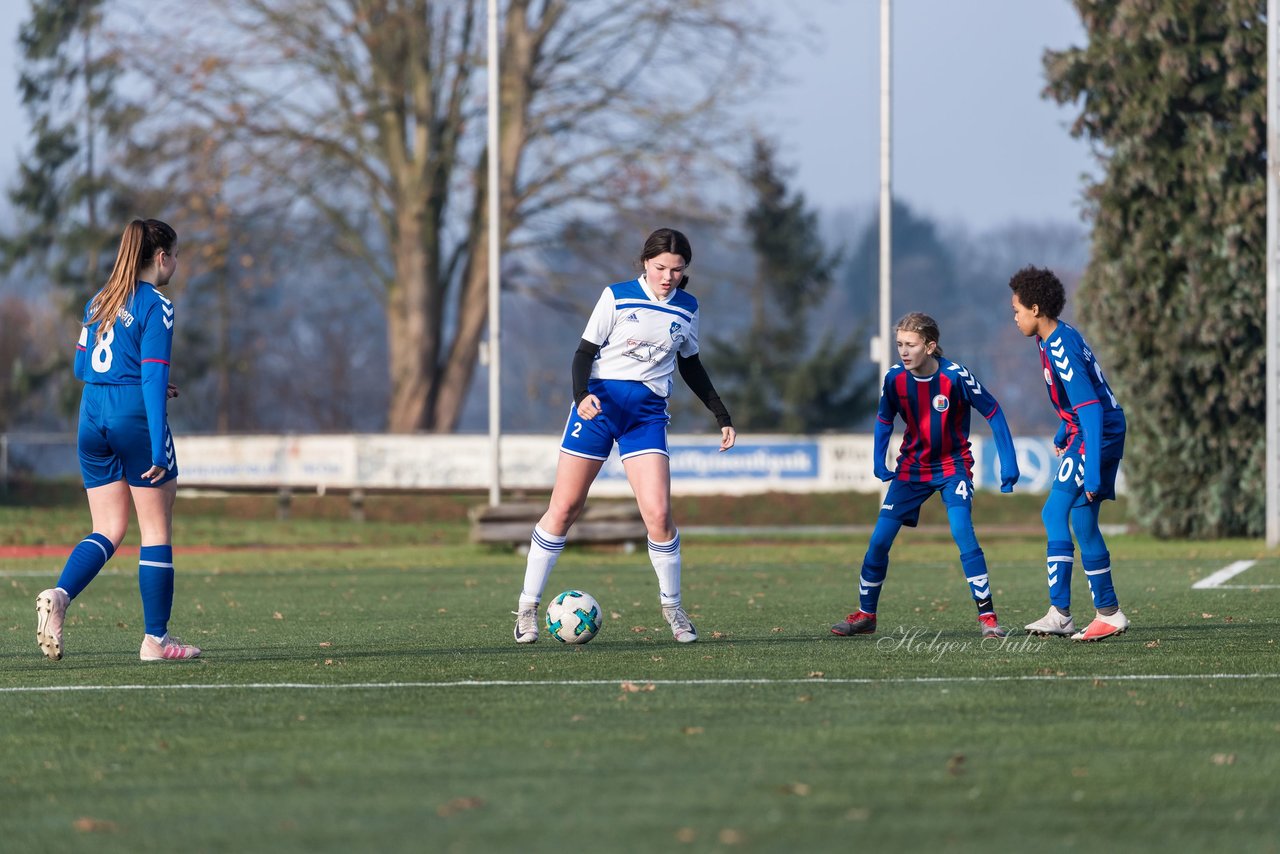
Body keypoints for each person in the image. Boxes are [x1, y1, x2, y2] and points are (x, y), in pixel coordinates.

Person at [512, 227, 736, 644]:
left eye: (677, 269)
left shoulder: (687, 308)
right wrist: (581, 397)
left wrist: (720, 413)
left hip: (645, 416)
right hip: (597, 409)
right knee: (564, 508)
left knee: (659, 515)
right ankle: (527, 608)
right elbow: (583, 353)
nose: (668, 276)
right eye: (660, 267)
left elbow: (691, 365)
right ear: (645, 264)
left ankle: (674, 609)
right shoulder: (616, 296)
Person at [35, 218, 201, 662]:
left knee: (107, 528)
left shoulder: (98, 301)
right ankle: (155, 642)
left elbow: (80, 368)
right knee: (155, 530)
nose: (176, 265)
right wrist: (153, 433)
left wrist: (128, 383)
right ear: (161, 257)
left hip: (92, 415)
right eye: (176, 256)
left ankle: (60, 597)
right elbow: (151, 376)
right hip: (132, 417)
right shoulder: (157, 305)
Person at [831, 312, 1020, 639]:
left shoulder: (956, 377)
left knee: (963, 533)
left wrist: (1009, 462)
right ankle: (866, 614)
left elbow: (993, 411)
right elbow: (883, 419)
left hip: (952, 467)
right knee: (878, 542)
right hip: (912, 469)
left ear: (930, 346)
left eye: (911, 345)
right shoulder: (894, 379)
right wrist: (879, 459)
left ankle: (988, 618)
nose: (904, 351)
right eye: (900, 344)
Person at [1009, 266, 1128, 642]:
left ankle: (1060, 613)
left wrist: (1091, 469)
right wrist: (1064, 427)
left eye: (1017, 310)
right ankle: (1108, 613)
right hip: (1093, 429)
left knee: (1053, 511)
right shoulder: (1053, 340)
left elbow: (1092, 409)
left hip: (1098, 433)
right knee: (1082, 521)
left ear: (1036, 308)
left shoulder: (1060, 347)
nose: (1014, 318)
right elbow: (1083, 399)